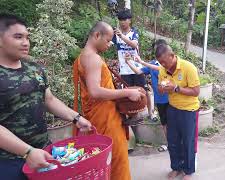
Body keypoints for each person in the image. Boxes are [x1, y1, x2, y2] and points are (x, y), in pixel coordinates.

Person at [0, 14, 92, 180]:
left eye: (27, 37)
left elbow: (48, 99)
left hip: (44, 153)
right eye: (18, 37)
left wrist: (76, 117)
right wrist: (27, 151)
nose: (26, 42)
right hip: (8, 161)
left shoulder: (34, 69)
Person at [73, 21, 144, 180]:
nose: (110, 44)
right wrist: (127, 92)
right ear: (97, 35)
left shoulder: (82, 57)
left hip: (99, 116)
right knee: (117, 161)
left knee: (103, 162)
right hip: (106, 119)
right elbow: (95, 91)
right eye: (108, 40)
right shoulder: (93, 58)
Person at [157, 44, 200, 180]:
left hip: (188, 110)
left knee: (187, 141)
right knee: (173, 141)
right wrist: (162, 88)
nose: (163, 65)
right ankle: (176, 167)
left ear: (172, 55)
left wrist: (176, 88)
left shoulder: (188, 68)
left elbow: (195, 91)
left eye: (165, 61)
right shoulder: (163, 70)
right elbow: (159, 87)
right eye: (160, 62)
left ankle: (188, 171)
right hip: (173, 109)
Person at [125, 39, 169, 150]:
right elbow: (138, 71)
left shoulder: (170, 64)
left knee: (174, 122)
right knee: (164, 123)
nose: (158, 51)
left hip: (172, 99)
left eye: (160, 48)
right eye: (156, 49)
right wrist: (128, 62)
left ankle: (177, 143)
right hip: (160, 100)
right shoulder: (152, 64)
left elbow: (161, 69)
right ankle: (169, 144)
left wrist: (142, 62)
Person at [112, 9, 155, 120]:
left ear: (129, 20)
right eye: (120, 20)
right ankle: (133, 116)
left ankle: (151, 113)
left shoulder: (134, 33)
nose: (122, 22)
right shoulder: (115, 34)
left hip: (137, 69)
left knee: (145, 91)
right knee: (128, 95)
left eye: (124, 19)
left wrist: (121, 36)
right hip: (124, 70)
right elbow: (106, 42)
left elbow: (133, 44)